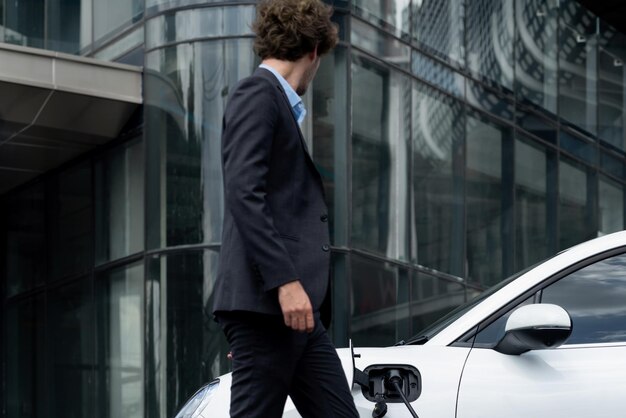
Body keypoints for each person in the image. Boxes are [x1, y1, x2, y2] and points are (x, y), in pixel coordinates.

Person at [212, 0, 359, 417]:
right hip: (272, 306)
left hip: (297, 316)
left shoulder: (274, 103)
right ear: (314, 50)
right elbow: (244, 191)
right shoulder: (257, 94)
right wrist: (285, 282)